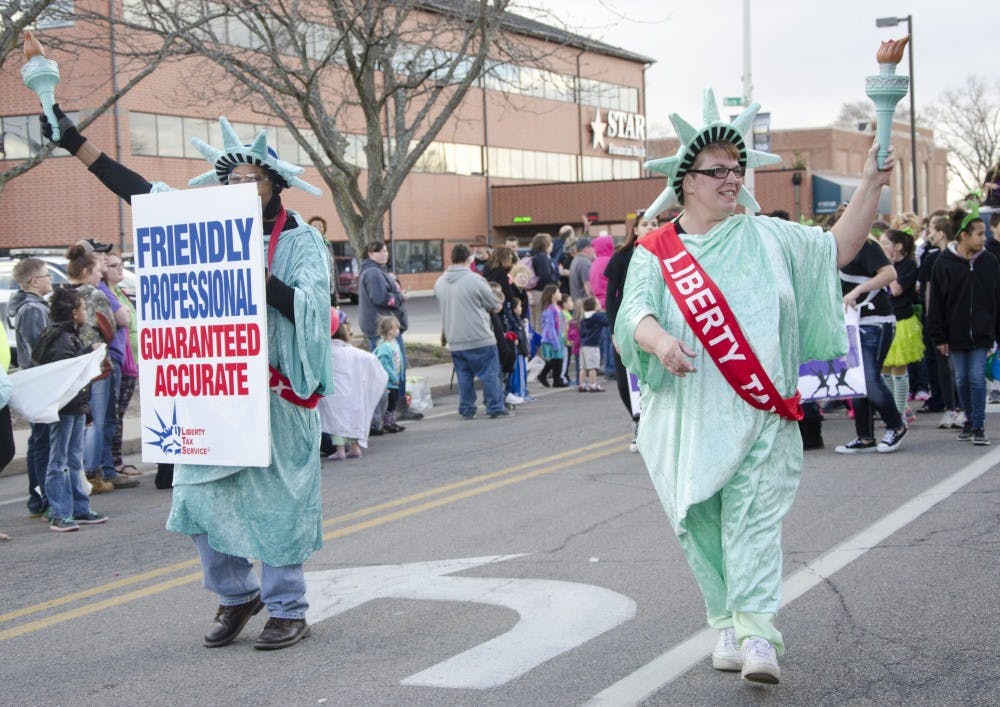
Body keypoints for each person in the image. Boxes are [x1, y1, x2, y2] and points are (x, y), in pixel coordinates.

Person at [615, 90, 893, 684]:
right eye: (717, 170)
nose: (731, 179)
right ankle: (727, 620)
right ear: (686, 180)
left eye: (736, 169)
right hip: (689, 416)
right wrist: (660, 341)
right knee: (703, 523)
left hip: (761, 411)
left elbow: (836, 247)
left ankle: (760, 635)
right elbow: (632, 313)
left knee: (755, 521)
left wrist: (869, 185)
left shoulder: (769, 237)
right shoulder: (657, 253)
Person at [41, 104, 332, 649]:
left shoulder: (298, 241)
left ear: (274, 184)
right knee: (196, 499)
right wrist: (74, 141)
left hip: (273, 394)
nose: (244, 187)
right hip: (210, 392)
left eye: (254, 179)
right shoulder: (204, 226)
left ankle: (288, 607)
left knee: (277, 503)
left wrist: (256, 277)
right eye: (235, 180)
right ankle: (235, 595)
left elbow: (313, 313)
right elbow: (138, 191)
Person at [58, 243, 138, 493]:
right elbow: (110, 326)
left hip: (76, 362)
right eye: (96, 272)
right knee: (101, 420)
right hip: (99, 361)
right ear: (85, 272)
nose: (99, 276)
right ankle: (96, 472)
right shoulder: (93, 295)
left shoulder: (62, 293)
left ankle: (88, 470)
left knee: (87, 419)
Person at [33, 288, 108, 533]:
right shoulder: (60, 339)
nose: (86, 312)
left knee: (75, 459)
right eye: (83, 308)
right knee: (60, 460)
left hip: (75, 406)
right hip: (64, 409)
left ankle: (79, 507)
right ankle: (59, 512)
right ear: (75, 313)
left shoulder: (67, 335)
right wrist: (89, 353)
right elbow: (66, 374)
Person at [926, 208, 999, 446]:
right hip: (954, 335)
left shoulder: (989, 262)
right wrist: (939, 336)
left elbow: (996, 298)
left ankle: (978, 425)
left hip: (982, 333)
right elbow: (936, 302)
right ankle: (968, 419)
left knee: (977, 378)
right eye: (978, 233)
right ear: (963, 235)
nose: (983, 238)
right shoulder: (943, 263)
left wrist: (994, 334)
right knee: (961, 380)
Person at [834, 222, 907, 455]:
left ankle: (896, 425)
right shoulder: (838, 251)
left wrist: (857, 291)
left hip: (876, 321)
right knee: (856, 380)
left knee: (869, 379)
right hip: (853, 322)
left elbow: (890, 273)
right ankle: (864, 436)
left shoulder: (866, 247)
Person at [434, 243, 509, 419]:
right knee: (490, 373)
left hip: (455, 337)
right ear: (469, 259)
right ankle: (495, 406)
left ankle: (467, 408)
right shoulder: (476, 280)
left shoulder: (440, 282)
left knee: (464, 375)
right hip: (479, 335)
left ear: (451, 259)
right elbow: (492, 304)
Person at [605, 209, 659, 451]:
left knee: (657, 376)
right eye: (645, 224)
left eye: (654, 223)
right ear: (635, 229)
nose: (650, 227)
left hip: (658, 324)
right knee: (626, 380)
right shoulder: (622, 257)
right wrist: (615, 331)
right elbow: (610, 297)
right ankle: (638, 421)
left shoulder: (668, 255)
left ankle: (657, 426)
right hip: (626, 326)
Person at [357, 241, 421, 422]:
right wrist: (401, 297)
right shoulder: (373, 273)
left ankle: (394, 410)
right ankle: (392, 410)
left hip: (384, 328)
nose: (384, 254)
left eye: (386, 251)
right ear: (370, 253)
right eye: (379, 251)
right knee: (393, 369)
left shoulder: (376, 271)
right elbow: (380, 298)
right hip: (384, 330)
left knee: (393, 369)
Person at [9, 257, 53, 515]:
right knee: (42, 442)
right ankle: (41, 497)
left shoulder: (33, 306)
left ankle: (37, 498)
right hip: (40, 382)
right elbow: (41, 348)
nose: (51, 280)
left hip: (39, 381)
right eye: (47, 275)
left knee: (39, 441)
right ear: (34, 281)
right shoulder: (33, 310)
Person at [319, 309, 387, 460]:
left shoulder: (326, 352)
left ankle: (340, 450)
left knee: (336, 421)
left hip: (334, 394)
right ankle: (356, 448)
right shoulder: (352, 351)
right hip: (353, 394)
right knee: (352, 419)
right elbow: (372, 362)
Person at [879, 229, 924, 423]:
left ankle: (898, 414)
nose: (882, 247)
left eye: (885, 243)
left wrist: (887, 265)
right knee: (884, 369)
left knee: (898, 368)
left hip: (902, 321)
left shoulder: (908, 265)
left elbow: (896, 290)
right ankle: (899, 408)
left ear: (897, 246)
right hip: (885, 319)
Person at [104, 251, 142, 477]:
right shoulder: (106, 293)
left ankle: (116, 460)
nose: (120, 269)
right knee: (114, 414)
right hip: (121, 359)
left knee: (119, 414)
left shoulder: (119, 291)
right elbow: (123, 319)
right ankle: (114, 463)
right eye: (115, 266)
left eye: (122, 265)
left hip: (132, 360)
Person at [373, 316, 406, 433]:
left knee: (394, 402)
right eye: (396, 328)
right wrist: (393, 376)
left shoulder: (394, 343)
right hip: (389, 382)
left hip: (395, 379)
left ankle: (392, 422)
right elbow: (384, 364)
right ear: (390, 330)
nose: (398, 330)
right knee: (390, 403)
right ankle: (386, 422)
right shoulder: (384, 346)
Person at [535, 284, 567, 388]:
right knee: (556, 360)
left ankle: (546, 376)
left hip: (558, 336)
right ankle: (555, 380)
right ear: (553, 295)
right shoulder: (549, 310)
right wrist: (555, 341)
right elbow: (550, 327)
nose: (560, 294)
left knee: (557, 359)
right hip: (551, 338)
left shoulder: (557, 308)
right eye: (558, 292)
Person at [526, 232, 558, 334]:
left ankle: (534, 347)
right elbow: (545, 276)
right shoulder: (542, 256)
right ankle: (541, 348)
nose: (552, 245)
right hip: (541, 292)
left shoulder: (532, 255)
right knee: (541, 322)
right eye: (550, 242)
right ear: (545, 244)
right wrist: (555, 279)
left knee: (534, 322)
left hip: (532, 292)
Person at [578, 296, 608, 392]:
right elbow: (606, 322)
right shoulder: (597, 316)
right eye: (598, 303)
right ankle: (593, 385)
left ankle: (582, 384)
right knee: (592, 367)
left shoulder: (583, 318)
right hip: (593, 345)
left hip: (583, 345)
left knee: (583, 367)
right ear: (595, 306)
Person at [568, 237, 594, 302]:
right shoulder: (584, 262)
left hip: (577, 303)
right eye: (592, 247)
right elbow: (588, 285)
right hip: (585, 304)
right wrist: (593, 302)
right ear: (586, 249)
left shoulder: (576, 260)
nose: (593, 250)